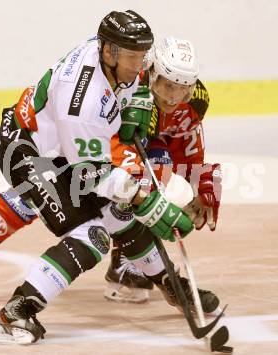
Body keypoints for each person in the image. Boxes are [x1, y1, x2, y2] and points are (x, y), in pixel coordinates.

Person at [0, 10, 201, 345]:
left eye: (142, 57)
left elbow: (131, 85)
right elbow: (90, 174)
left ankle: (170, 284)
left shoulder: (114, 54)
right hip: (31, 153)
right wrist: (145, 200)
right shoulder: (83, 102)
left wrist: (138, 104)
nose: (140, 66)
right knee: (92, 236)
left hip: (66, 148)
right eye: (133, 58)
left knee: (117, 216)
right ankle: (11, 317)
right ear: (110, 53)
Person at [103, 36, 222, 303]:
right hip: (105, 156)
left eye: (181, 88)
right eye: (167, 85)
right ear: (153, 75)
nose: (172, 96)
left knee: (171, 185)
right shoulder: (131, 89)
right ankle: (125, 261)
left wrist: (202, 185)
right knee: (144, 182)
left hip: (152, 149)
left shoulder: (196, 102)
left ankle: (131, 262)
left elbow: (190, 149)